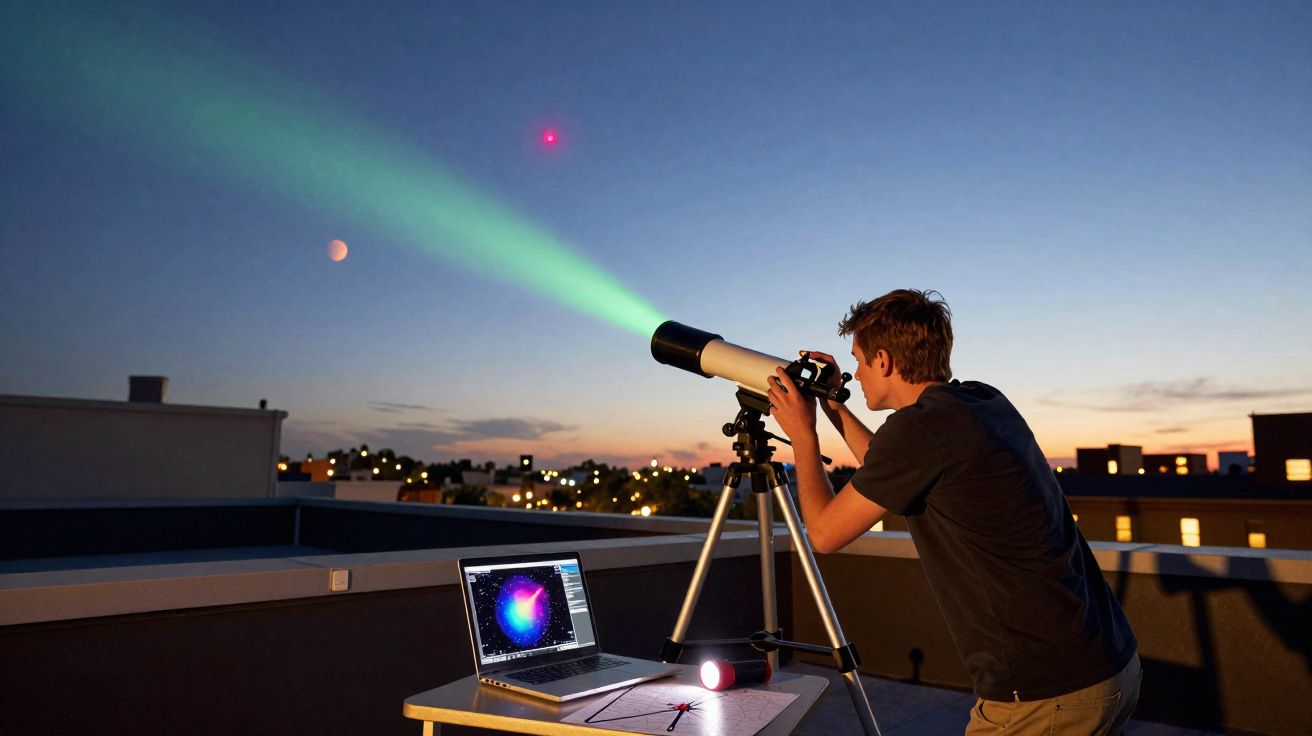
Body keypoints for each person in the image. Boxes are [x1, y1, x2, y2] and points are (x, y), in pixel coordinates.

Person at [764, 289, 1140, 736]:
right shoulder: (980, 402)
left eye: (860, 360)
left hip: (1045, 695)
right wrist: (834, 407)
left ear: (883, 361)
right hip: (1108, 664)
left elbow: (824, 534)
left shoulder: (918, 430)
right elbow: (889, 469)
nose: (856, 374)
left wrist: (803, 438)